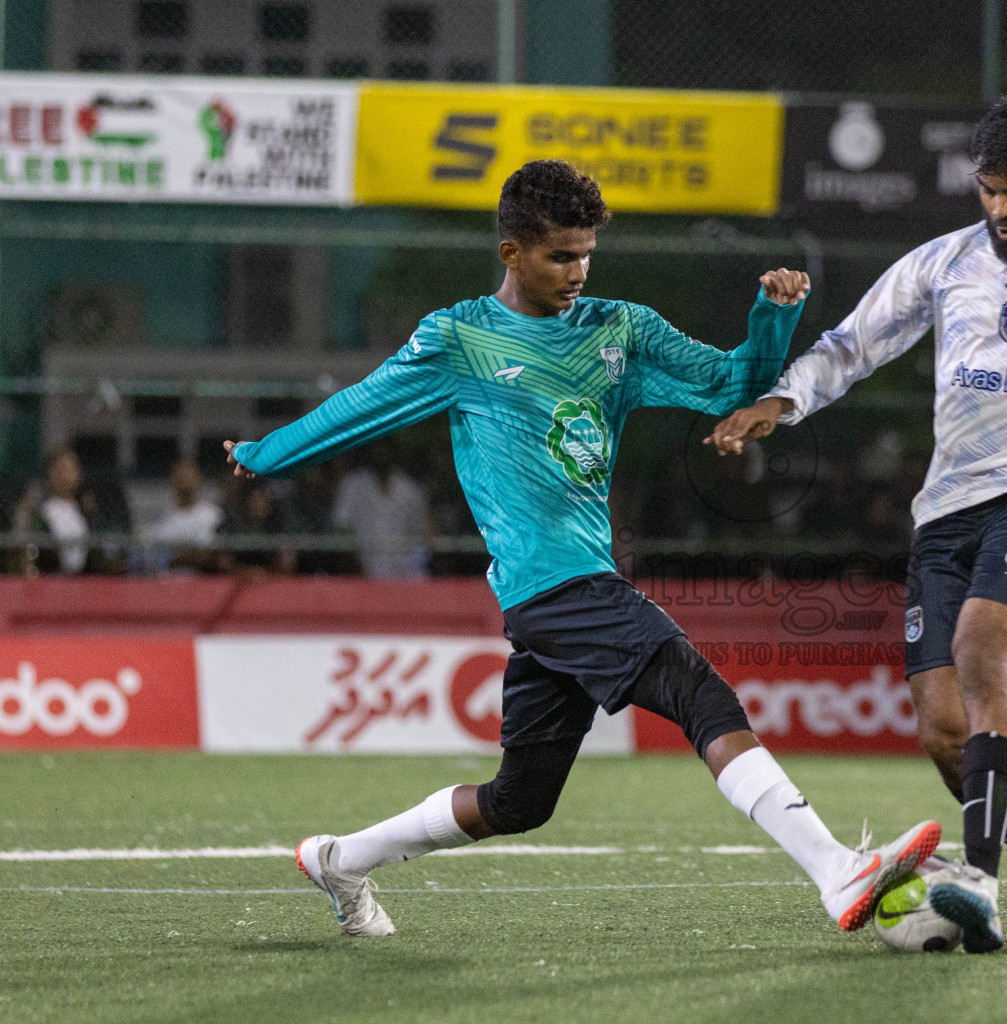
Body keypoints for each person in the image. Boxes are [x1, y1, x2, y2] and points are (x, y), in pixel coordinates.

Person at [223, 159, 940, 938]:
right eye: (560, 255)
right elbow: (361, 407)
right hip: (549, 586)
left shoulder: (619, 328)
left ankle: (341, 857)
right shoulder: (460, 337)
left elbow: (731, 385)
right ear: (512, 253)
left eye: (586, 253)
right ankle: (836, 870)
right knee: (700, 693)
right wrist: (268, 453)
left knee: (517, 803)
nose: (578, 270)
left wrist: (769, 320)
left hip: (574, 586)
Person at [708, 94, 1007, 952]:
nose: (1002, 210)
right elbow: (855, 342)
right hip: (947, 509)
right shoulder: (946, 261)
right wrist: (783, 398)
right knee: (944, 731)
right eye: (989, 190)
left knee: (987, 655)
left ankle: (977, 882)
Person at [331, 444, 431, 579]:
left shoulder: (409, 488)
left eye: (385, 448)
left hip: (406, 573)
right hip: (364, 570)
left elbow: (424, 533)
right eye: (377, 447)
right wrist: (354, 567)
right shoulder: (353, 485)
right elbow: (341, 527)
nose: (381, 453)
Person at [147, 459, 223, 573]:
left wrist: (173, 559)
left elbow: (206, 555)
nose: (185, 481)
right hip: (167, 583)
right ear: (172, 480)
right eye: (181, 477)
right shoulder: (162, 518)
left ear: (199, 479)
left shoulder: (212, 514)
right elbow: (153, 558)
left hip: (203, 581)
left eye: (190, 476)